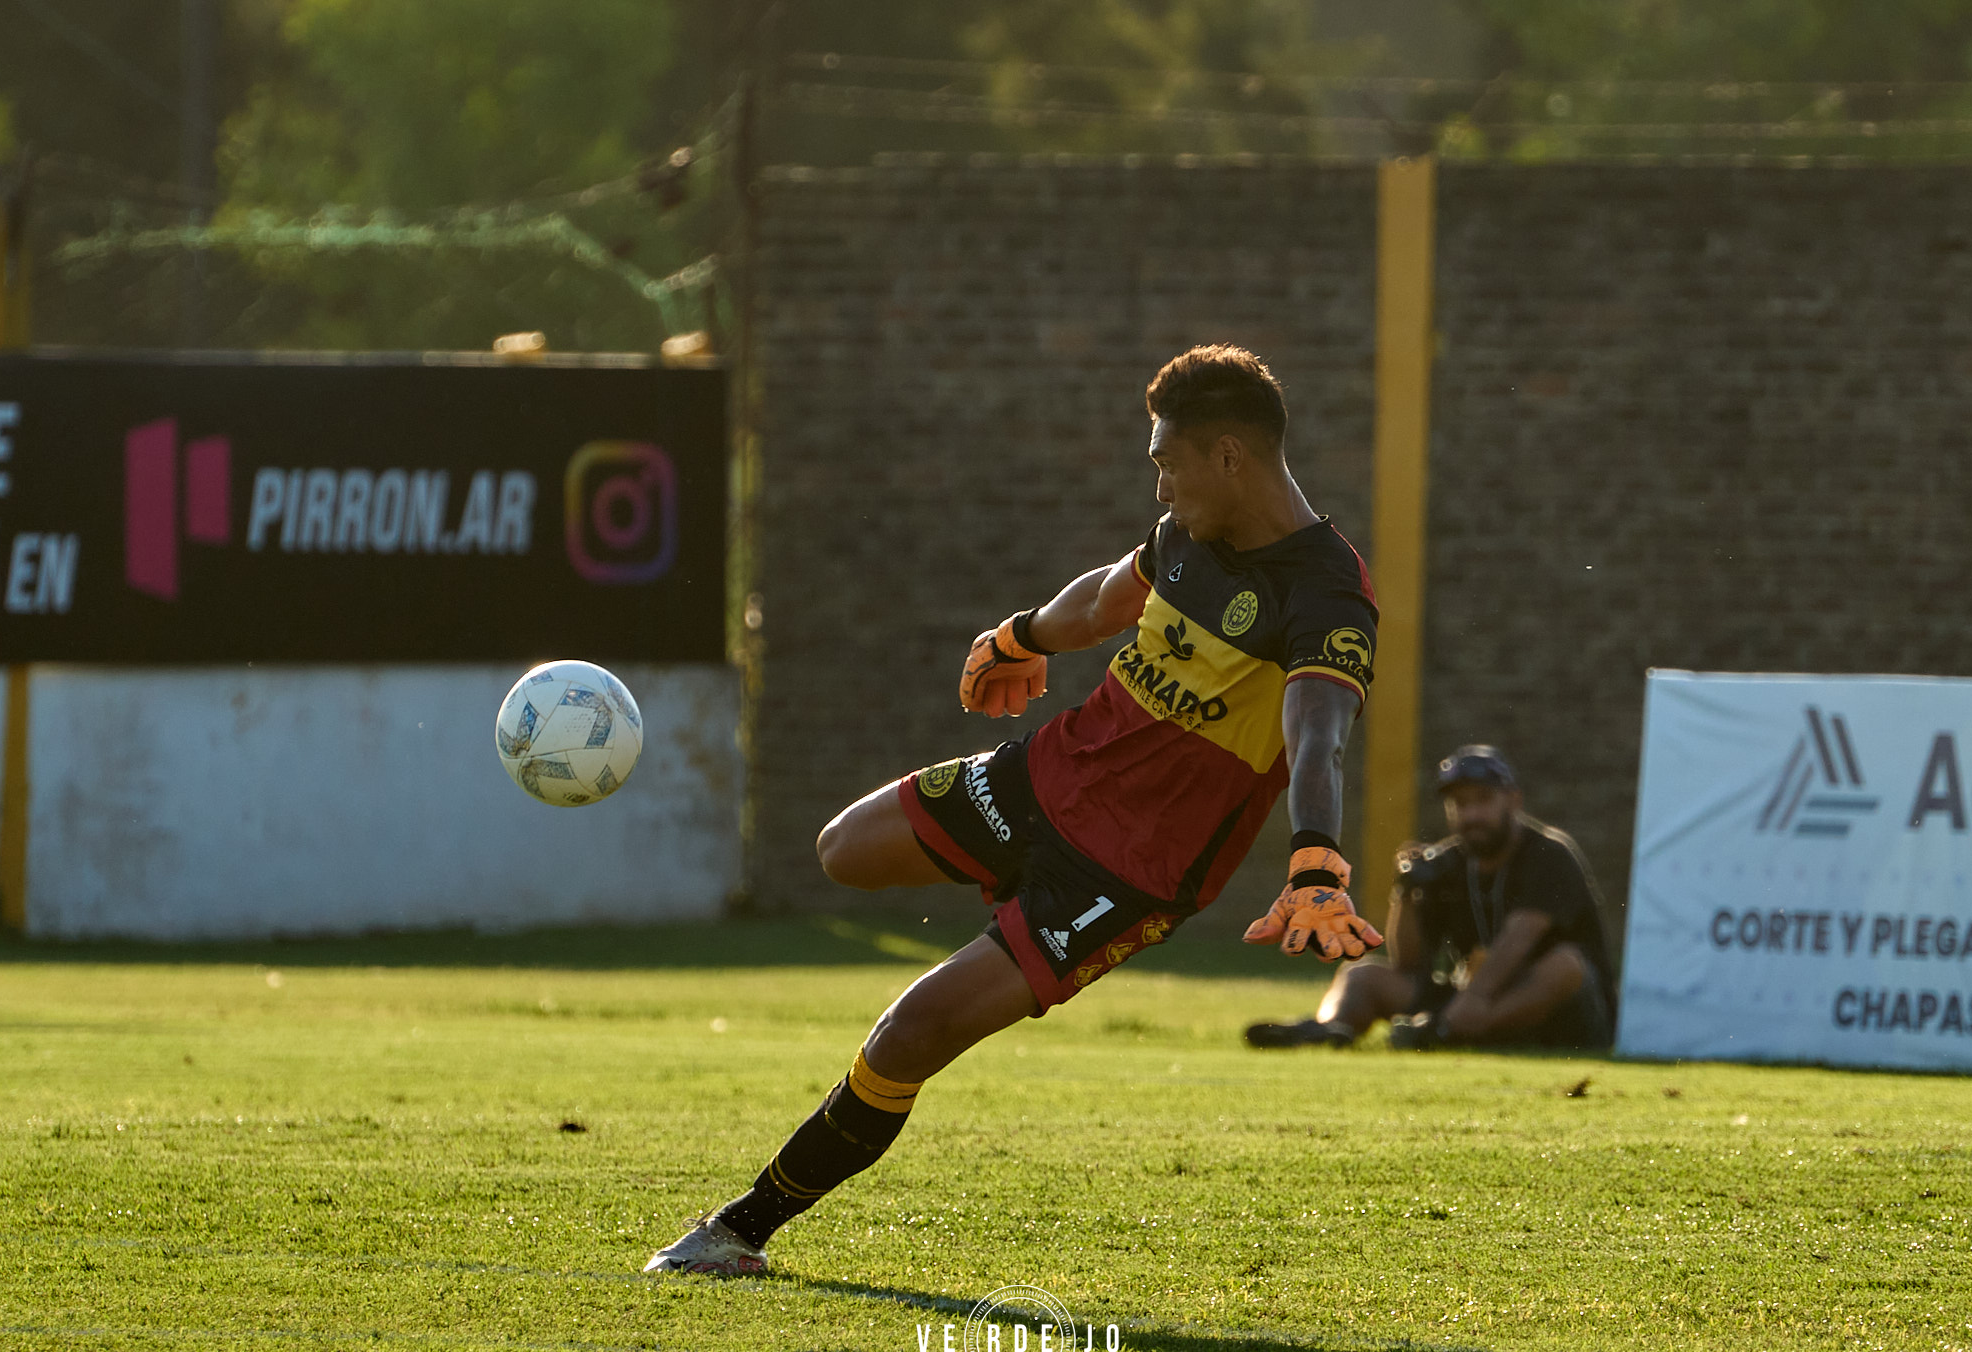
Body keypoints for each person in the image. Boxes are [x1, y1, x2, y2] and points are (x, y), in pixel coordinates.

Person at [644, 345, 1382, 1275]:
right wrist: (1017, 636)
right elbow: (1107, 600)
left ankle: (739, 1232)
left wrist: (1315, 860)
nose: (1156, 484)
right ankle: (1004, 925)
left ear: (1229, 456)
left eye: (1166, 461)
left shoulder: (1327, 596)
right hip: (1044, 780)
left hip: (1125, 871)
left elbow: (1318, 736)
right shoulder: (1188, 537)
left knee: (910, 1033)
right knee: (845, 849)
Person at [1245, 745, 1617, 1052]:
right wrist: (1406, 893)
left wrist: (1466, 1009)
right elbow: (1410, 964)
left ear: (1513, 800)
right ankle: (1328, 1029)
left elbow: (1520, 937)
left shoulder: (1549, 854)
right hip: (1466, 1004)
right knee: (1361, 975)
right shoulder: (1448, 863)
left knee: (1566, 965)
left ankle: (1455, 1032)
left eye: (1483, 800)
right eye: (1460, 804)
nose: (1472, 814)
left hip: (1551, 1011)